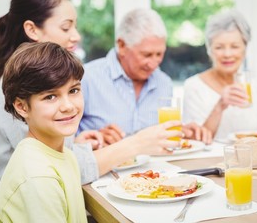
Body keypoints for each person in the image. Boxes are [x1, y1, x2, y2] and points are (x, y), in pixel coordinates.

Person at [0, 0, 182, 222]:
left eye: (73, 91)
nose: (76, 35)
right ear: (32, 29)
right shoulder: (18, 89)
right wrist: (137, 143)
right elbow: (57, 167)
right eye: (65, 27)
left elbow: (55, 153)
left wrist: (79, 142)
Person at [78, 8, 212, 145]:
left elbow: (162, 136)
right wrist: (94, 139)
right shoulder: (86, 78)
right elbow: (64, 140)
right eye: (146, 55)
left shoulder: (163, 82)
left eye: (159, 54)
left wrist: (183, 133)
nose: (154, 64)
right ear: (122, 45)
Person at [0, 42, 89, 222]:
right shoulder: (38, 176)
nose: (68, 106)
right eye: (50, 96)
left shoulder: (65, 155)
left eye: (73, 90)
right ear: (22, 106)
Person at [183, 9, 257, 139]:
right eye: (219, 47)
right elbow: (195, 140)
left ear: (245, 49)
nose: (227, 54)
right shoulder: (194, 86)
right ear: (209, 50)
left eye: (234, 46)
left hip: (252, 158)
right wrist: (220, 106)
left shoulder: (254, 85)